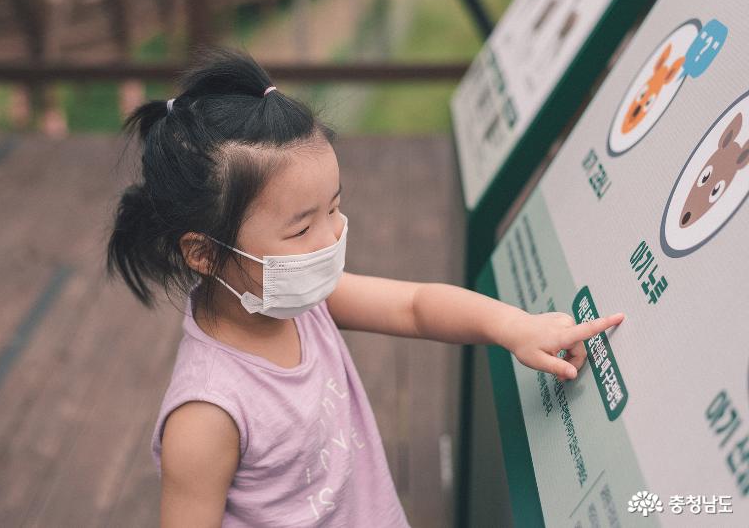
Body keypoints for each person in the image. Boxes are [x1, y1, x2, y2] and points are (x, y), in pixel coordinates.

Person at [105, 47, 624, 527]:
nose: (333, 234)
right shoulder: (206, 414)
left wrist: (515, 327)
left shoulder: (297, 303)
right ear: (204, 252)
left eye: (333, 207)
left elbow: (416, 307)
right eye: (302, 228)